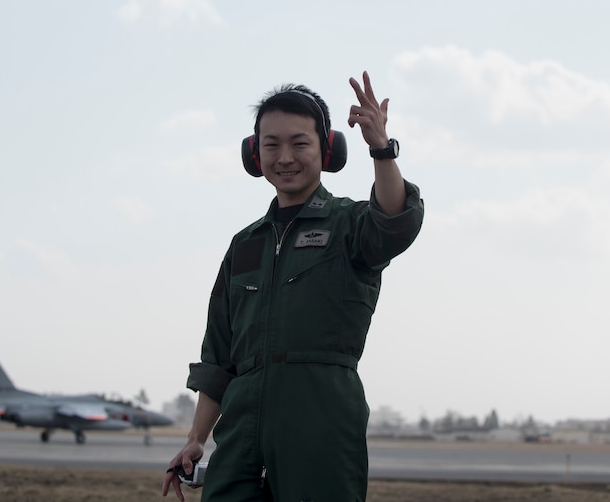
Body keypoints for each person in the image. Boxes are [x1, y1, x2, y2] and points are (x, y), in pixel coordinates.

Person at [162, 71, 424, 502]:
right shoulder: (245, 245)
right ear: (254, 153)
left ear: (327, 149)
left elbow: (395, 221)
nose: (285, 156)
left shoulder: (349, 225)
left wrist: (381, 149)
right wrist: (195, 438)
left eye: (299, 143)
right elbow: (219, 356)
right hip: (242, 426)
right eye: (271, 144)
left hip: (320, 419)